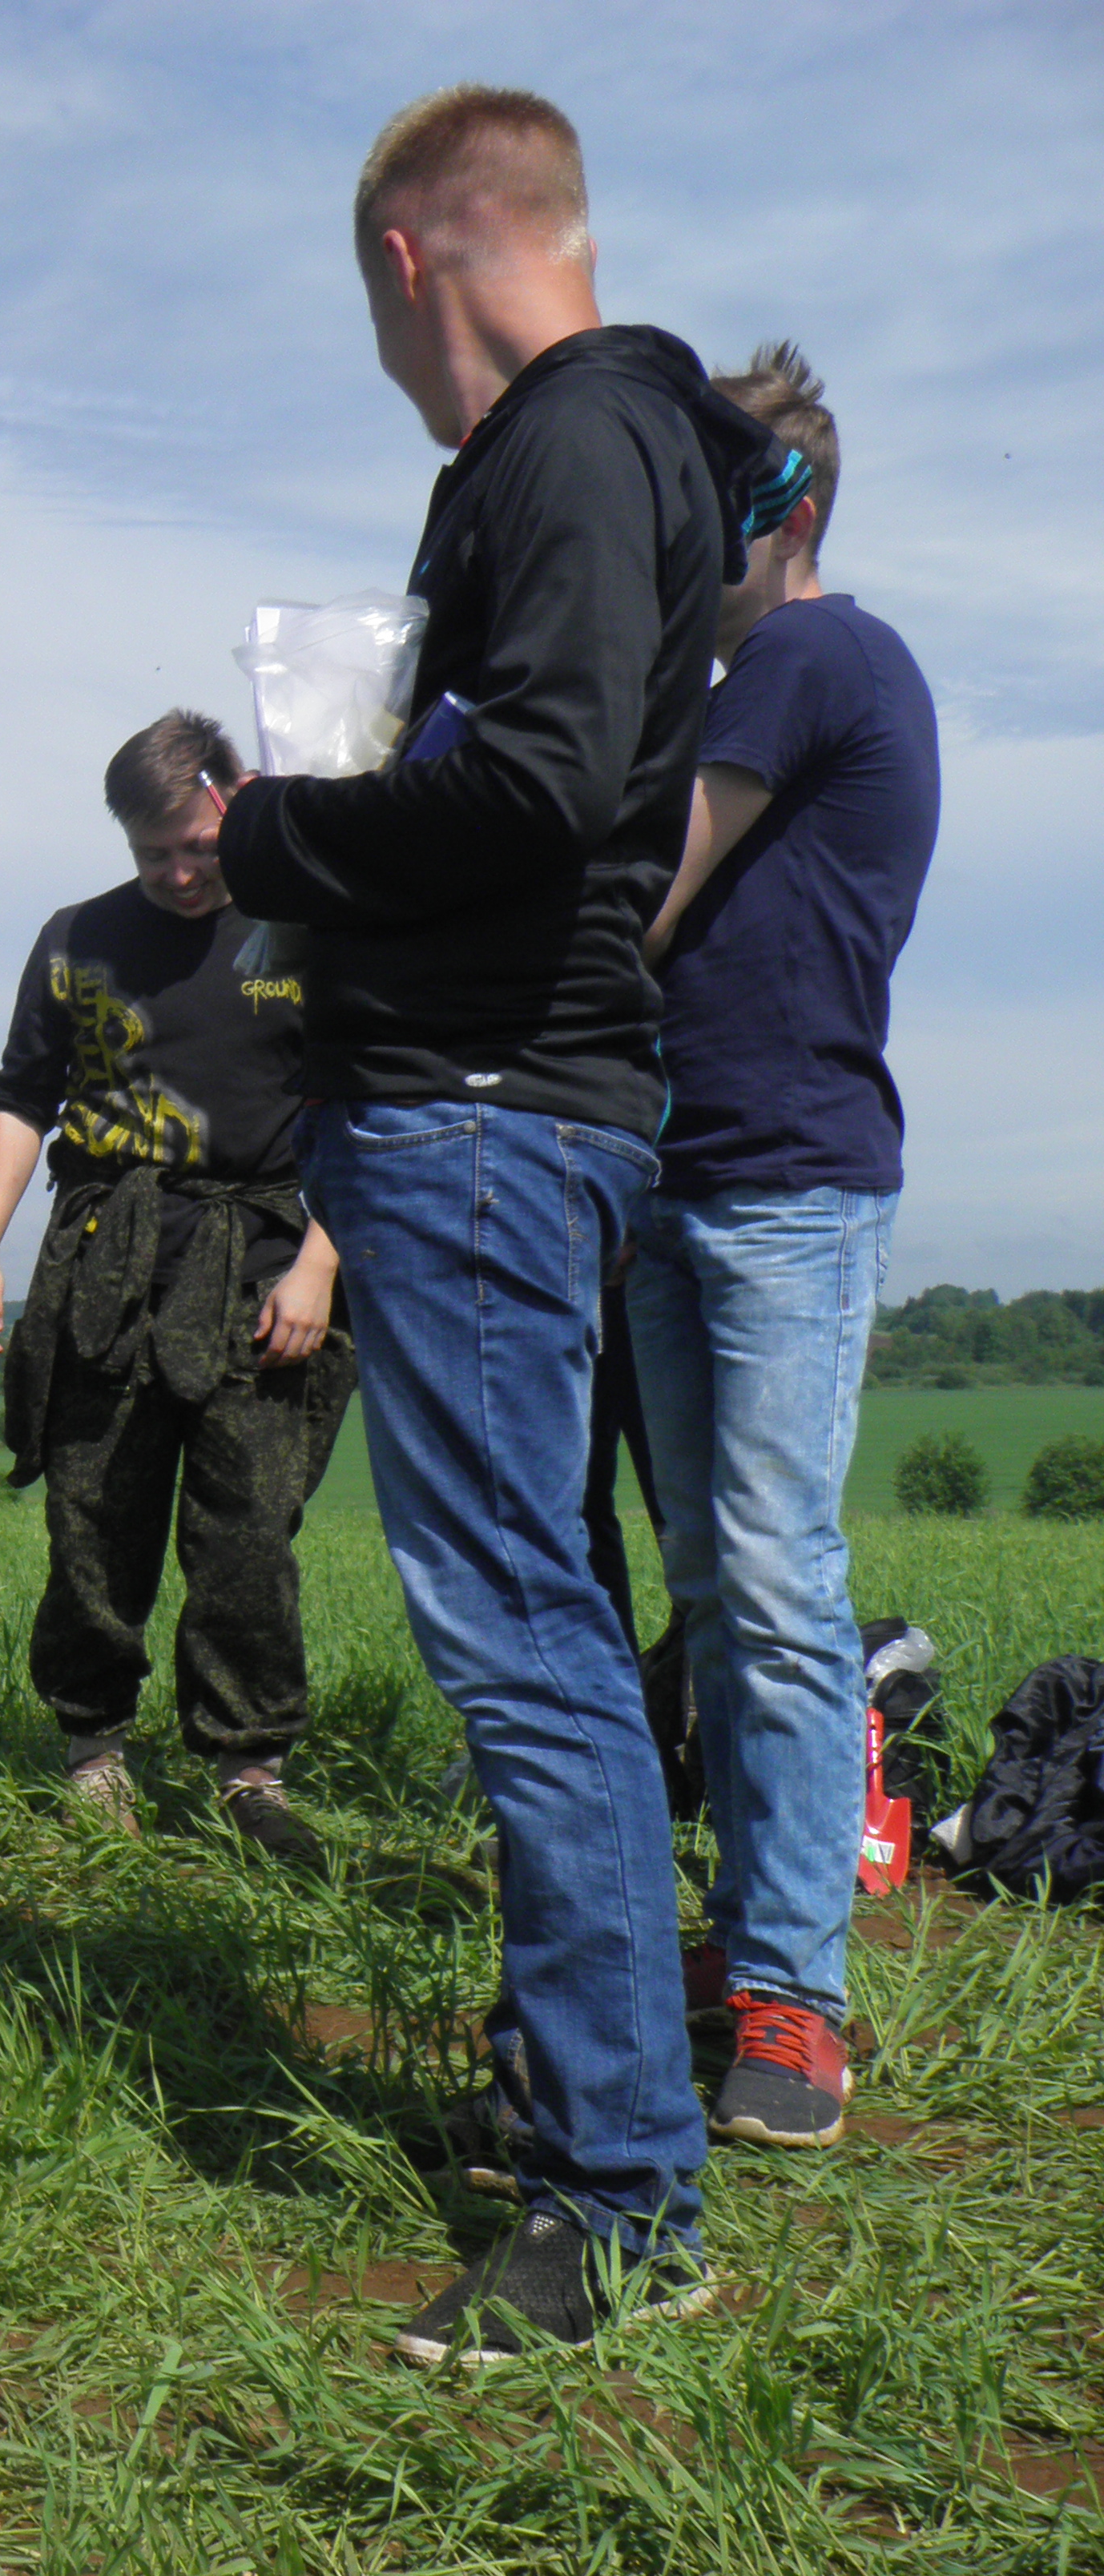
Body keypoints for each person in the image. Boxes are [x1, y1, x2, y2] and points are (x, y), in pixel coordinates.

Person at [213, 87, 782, 2365]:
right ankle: (599, 2085)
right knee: (552, 1609)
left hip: (471, 1114)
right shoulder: (651, 452)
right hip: (530, 1104)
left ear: (408, 257)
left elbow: (542, 778)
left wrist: (289, 831)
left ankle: (622, 2200)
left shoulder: (556, 446)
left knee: (522, 1639)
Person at [628, 344, 938, 2154]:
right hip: (685, 1179)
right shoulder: (760, 674)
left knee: (767, 1577)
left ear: (781, 506)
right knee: (716, 1586)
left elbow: (650, 876)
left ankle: (794, 2003)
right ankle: (756, 1939)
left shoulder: (819, 652)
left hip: (781, 1185)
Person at [0, 712, 353, 1866]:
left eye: (198, 846)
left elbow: (368, 1106)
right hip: (107, 1259)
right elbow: (21, 1093)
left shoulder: (309, 932)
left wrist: (321, 1265)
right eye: (153, 853)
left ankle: (249, 1772)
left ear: (239, 804)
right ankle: (93, 1754)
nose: (180, 874)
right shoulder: (77, 939)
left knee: (245, 1535)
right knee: (94, 1515)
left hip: (270, 1258)